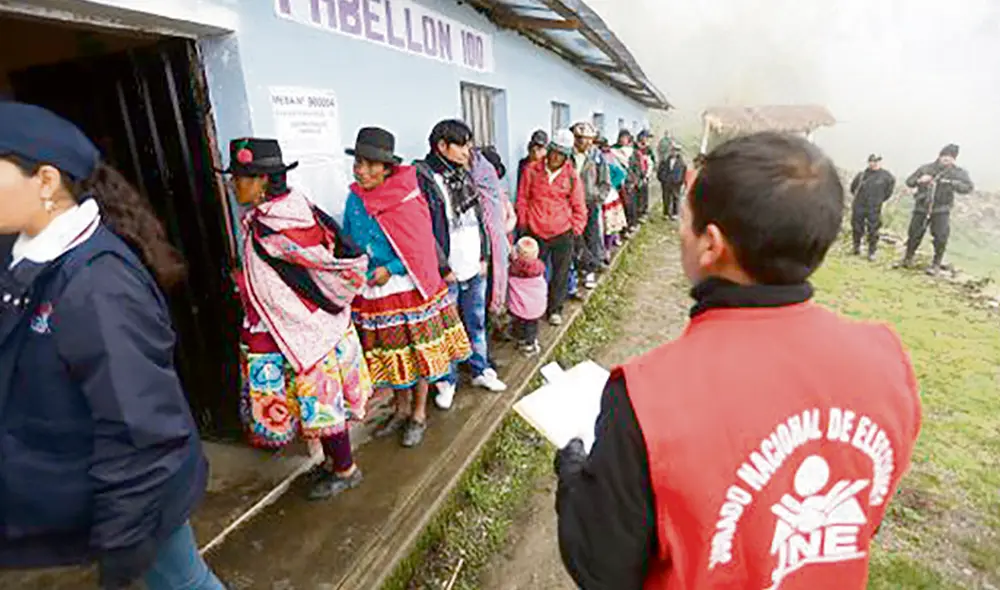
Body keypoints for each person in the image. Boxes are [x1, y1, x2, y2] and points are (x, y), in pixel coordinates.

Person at [554, 132, 921, 589]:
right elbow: (869, 508)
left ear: (711, 244)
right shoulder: (886, 359)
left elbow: (602, 567)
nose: (679, 232)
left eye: (684, 218)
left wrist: (572, 472)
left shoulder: (648, 395)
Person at [0, 103, 223, 589]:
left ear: (45, 181)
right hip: (82, 481)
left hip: (136, 493)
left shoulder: (97, 286)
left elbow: (140, 428)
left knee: (182, 581)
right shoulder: (21, 253)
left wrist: (123, 540)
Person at [224, 137, 372, 501]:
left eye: (239, 177)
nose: (232, 184)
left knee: (322, 402)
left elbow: (315, 264)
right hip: (299, 326)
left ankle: (346, 470)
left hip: (306, 329)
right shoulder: (278, 213)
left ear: (261, 180)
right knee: (315, 402)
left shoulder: (278, 225)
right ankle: (333, 462)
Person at [342, 127, 471, 448]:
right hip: (374, 291)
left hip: (408, 285)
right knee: (392, 353)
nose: (361, 170)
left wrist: (391, 268)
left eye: (370, 164)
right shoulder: (355, 199)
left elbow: (420, 246)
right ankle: (400, 410)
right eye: (358, 163)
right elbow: (348, 240)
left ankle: (418, 414)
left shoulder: (406, 196)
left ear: (387, 168)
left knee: (418, 352)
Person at [415, 120, 507, 410]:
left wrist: (483, 257)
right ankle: (447, 381)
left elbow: (479, 218)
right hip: (448, 273)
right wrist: (443, 268)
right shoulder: (424, 178)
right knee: (448, 330)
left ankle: (480, 370)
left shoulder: (463, 174)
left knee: (476, 322)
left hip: (473, 266)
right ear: (442, 146)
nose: (469, 151)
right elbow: (424, 230)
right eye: (462, 145)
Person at [516, 129, 587, 326]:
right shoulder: (531, 170)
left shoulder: (571, 176)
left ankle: (555, 309)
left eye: (561, 154)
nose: (556, 157)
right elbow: (522, 198)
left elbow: (579, 205)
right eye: (554, 151)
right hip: (535, 231)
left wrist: (575, 229)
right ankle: (534, 309)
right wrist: (524, 223)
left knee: (560, 274)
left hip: (562, 232)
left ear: (566, 156)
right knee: (534, 273)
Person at [900, 144, 974, 274]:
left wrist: (952, 183)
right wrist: (920, 180)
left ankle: (936, 264)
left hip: (942, 209)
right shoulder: (926, 168)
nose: (947, 159)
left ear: (954, 159)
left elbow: (968, 187)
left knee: (940, 237)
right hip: (922, 207)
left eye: (951, 157)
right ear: (940, 156)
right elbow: (909, 181)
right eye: (945, 156)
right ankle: (907, 258)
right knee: (914, 234)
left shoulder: (957, 173)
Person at [570, 121, 611, 290]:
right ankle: (576, 269)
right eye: (579, 137)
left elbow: (605, 182)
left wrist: (597, 197)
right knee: (573, 239)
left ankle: (590, 272)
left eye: (587, 138)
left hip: (589, 203)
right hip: (570, 205)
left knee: (591, 236)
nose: (582, 141)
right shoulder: (567, 155)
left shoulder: (597, 157)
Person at [849, 154, 896, 261]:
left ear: (880, 162)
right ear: (868, 162)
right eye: (872, 161)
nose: (874, 163)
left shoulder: (887, 177)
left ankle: (871, 252)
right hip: (859, 205)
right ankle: (856, 247)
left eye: (876, 161)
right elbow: (853, 189)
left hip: (874, 207)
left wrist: (879, 200)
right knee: (857, 227)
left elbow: (888, 192)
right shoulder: (861, 175)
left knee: (873, 230)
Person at [507, 236, 547, 356]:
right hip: (534, 305)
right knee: (531, 325)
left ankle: (520, 339)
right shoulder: (539, 268)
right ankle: (530, 344)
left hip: (519, 304)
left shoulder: (514, 268)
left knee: (519, 322)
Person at [598, 137, 628, 255]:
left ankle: (607, 248)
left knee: (609, 223)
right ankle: (609, 244)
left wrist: (611, 185)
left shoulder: (606, 158)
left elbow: (621, 173)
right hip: (605, 193)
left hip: (608, 195)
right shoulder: (602, 157)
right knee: (608, 223)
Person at [610, 130, 643, 236]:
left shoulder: (633, 153)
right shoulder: (613, 151)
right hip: (618, 184)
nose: (623, 140)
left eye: (625, 138)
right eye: (621, 137)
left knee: (630, 206)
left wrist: (634, 180)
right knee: (620, 207)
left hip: (629, 183)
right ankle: (622, 229)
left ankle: (630, 225)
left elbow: (637, 168)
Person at [656, 143, 687, 220]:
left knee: (675, 197)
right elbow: (660, 170)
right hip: (666, 181)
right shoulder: (665, 160)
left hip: (676, 182)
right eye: (673, 150)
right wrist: (662, 178)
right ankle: (666, 213)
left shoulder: (682, 162)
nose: (674, 152)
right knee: (666, 197)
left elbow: (684, 172)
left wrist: (681, 181)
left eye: (677, 151)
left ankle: (675, 213)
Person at [635, 130, 656, 221]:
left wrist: (648, 174)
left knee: (644, 193)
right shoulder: (635, 147)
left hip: (645, 174)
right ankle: (637, 213)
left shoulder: (648, 149)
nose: (647, 140)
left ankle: (643, 212)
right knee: (636, 195)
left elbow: (652, 161)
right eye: (646, 137)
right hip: (636, 174)